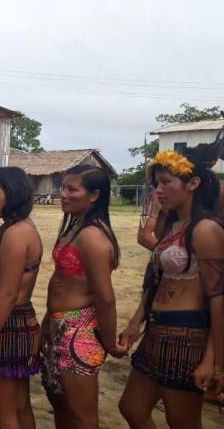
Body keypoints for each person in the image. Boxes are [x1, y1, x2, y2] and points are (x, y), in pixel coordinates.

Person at [119, 148, 224, 429]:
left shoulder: (205, 230)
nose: (158, 190)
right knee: (132, 407)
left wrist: (214, 361)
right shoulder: (176, 224)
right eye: (156, 183)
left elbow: (218, 298)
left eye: (167, 182)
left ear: (193, 184)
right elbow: (156, 277)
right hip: (158, 331)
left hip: (187, 336)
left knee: (182, 421)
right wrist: (136, 320)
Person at [40, 165, 127, 428]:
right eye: (63, 187)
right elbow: (62, 281)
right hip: (61, 325)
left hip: (80, 331)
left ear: (94, 195)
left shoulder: (92, 236)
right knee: (62, 406)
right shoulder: (75, 226)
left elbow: (105, 297)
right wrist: (47, 322)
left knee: (82, 415)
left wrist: (110, 343)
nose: (63, 194)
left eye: (72, 189)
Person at [0, 166, 42, 429]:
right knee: (19, 406)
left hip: (4, 327)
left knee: (2, 413)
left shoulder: (17, 234)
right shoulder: (17, 227)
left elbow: (8, 294)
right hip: (9, 324)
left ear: (12, 194)